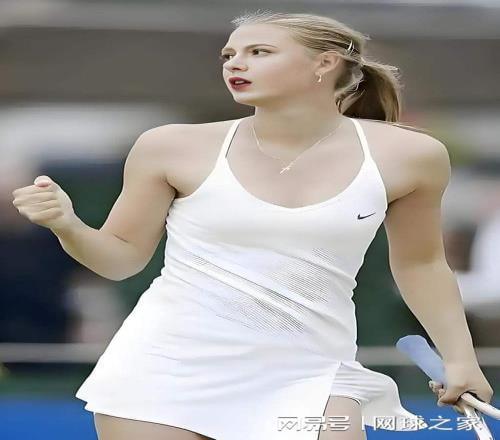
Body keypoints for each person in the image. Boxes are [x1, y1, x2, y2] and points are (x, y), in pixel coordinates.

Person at [11, 10, 493, 440]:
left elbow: (422, 265)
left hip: (313, 372)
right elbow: (120, 260)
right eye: (229, 55)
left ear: (325, 64)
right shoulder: (168, 146)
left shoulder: (412, 155)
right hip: (162, 369)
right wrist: (67, 224)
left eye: (258, 52)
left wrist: (461, 359)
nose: (234, 64)